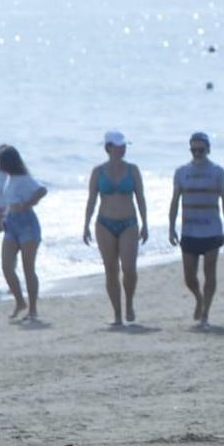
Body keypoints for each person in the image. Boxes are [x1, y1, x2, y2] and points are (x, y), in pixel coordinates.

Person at [82, 131, 148, 326]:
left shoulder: (133, 170)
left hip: (129, 222)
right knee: (111, 269)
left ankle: (129, 304)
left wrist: (145, 223)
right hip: (105, 223)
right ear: (109, 147)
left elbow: (140, 198)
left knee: (129, 268)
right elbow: (92, 199)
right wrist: (85, 224)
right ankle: (117, 314)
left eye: (124, 145)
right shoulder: (98, 171)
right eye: (119, 145)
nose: (122, 149)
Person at [168, 132, 224, 329]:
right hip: (189, 230)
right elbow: (175, 202)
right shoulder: (181, 172)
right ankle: (199, 297)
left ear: (208, 150)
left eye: (201, 150)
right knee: (189, 277)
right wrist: (171, 227)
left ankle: (205, 314)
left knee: (209, 272)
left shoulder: (217, 172)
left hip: (212, 229)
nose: (197, 153)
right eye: (193, 150)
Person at [0, 144, 47, 323]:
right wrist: (5, 216)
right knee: (6, 266)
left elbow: (42, 190)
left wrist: (27, 204)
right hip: (11, 224)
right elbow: (10, 201)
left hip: (27, 224)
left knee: (28, 269)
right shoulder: (10, 178)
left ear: (9, 162)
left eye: (1, 161)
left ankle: (33, 309)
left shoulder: (24, 177)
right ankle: (20, 302)